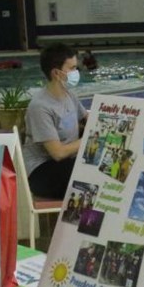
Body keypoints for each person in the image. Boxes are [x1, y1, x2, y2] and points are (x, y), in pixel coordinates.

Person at [22, 43, 88, 199]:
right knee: (88, 174)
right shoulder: (40, 106)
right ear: (56, 73)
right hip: (42, 171)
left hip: (66, 162)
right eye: (72, 68)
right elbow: (57, 153)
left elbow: (88, 119)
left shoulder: (69, 95)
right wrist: (90, 140)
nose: (76, 72)